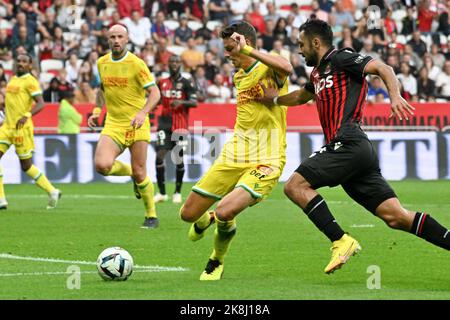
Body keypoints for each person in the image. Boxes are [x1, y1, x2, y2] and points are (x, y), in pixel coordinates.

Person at [257, 19, 450, 274]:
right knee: (396, 216)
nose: (299, 50)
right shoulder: (317, 74)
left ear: (316, 42)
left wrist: (395, 96)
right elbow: (301, 96)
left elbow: (384, 68)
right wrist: (274, 100)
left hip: (348, 141)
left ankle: (340, 240)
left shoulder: (341, 58)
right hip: (355, 153)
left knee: (295, 186)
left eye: (301, 44)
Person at [179, 20, 293, 280]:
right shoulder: (239, 76)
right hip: (235, 153)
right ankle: (206, 217)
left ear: (245, 44)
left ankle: (216, 260)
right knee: (187, 215)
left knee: (225, 211)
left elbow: (287, 66)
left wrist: (250, 51)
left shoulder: (269, 67)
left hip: (268, 157)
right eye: (226, 48)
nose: (226, 54)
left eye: (231, 48)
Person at [88, 24, 161, 229]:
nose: (116, 40)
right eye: (112, 37)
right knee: (102, 165)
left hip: (137, 123)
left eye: (120, 36)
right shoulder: (102, 62)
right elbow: (102, 89)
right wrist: (96, 111)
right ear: (107, 39)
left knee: (141, 172)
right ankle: (132, 176)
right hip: (114, 123)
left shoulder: (136, 64)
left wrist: (142, 112)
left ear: (127, 39)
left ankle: (151, 215)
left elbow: (155, 93)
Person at [0, 54, 61, 210]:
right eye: (18, 61)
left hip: (22, 129)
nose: (20, 63)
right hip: (7, 127)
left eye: (23, 61)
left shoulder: (30, 81)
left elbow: (41, 103)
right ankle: (1, 200)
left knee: (26, 166)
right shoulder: (13, 79)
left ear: (30, 65)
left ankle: (52, 191)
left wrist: (27, 115)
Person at [154, 55, 197, 204]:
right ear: (168, 64)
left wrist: (182, 102)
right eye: (171, 61)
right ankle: (162, 192)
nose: (174, 64)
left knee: (178, 160)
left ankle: (177, 192)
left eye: (177, 62)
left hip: (180, 125)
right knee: (159, 156)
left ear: (180, 65)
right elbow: (156, 98)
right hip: (163, 124)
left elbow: (194, 102)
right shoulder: (161, 82)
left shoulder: (186, 83)